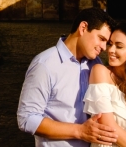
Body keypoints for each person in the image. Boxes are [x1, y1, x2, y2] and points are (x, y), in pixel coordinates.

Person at [17, 8, 119, 146]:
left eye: (106, 42)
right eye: (101, 39)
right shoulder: (45, 64)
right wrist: (80, 131)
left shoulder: (96, 65)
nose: (104, 47)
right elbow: (27, 119)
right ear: (83, 28)